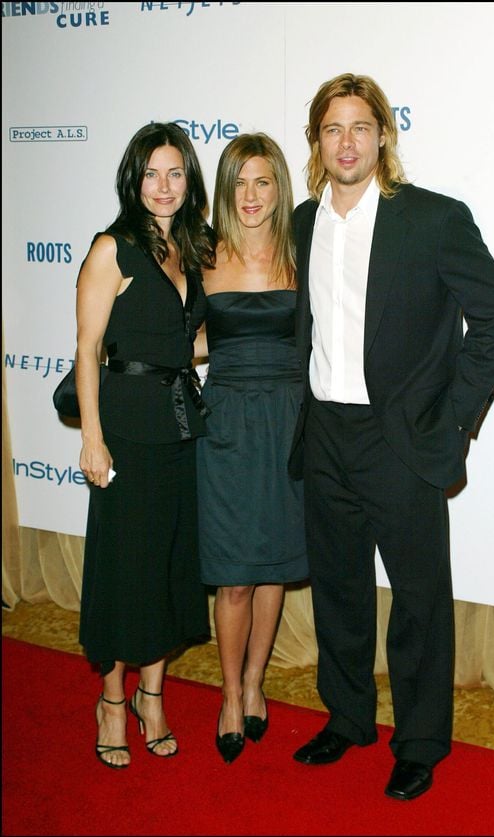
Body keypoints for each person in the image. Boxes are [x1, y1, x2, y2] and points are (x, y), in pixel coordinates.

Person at [288, 74, 494, 800]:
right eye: (333, 129)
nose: (347, 141)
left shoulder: (432, 219)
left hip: (401, 440)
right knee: (339, 590)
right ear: (317, 142)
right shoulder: (301, 222)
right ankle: (349, 716)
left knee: (419, 598)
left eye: (360, 126)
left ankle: (419, 741)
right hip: (324, 431)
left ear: (384, 135)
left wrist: (452, 420)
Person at [76, 122, 215, 769]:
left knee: (167, 566)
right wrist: (93, 440)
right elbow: (86, 348)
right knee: (126, 570)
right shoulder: (114, 248)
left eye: (176, 173)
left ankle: (151, 696)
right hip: (126, 433)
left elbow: (186, 341)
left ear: (190, 181)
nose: (164, 186)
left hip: (180, 431)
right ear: (135, 179)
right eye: (152, 173)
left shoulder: (192, 251)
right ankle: (111, 699)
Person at [194, 133, 309, 764]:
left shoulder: (304, 253)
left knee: (273, 568)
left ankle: (256, 683)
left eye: (262, 182)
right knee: (233, 575)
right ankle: (229, 695)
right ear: (224, 190)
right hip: (228, 423)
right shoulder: (202, 255)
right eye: (239, 182)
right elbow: (189, 338)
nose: (250, 196)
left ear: (279, 188)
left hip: (291, 421)